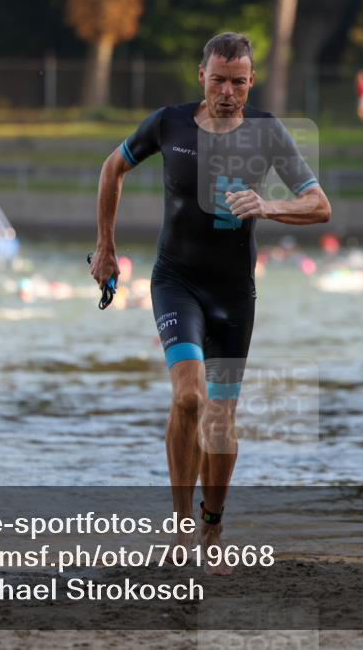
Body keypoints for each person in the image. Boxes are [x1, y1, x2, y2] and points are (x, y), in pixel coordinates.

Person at [89, 32, 331, 574]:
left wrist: (266, 205)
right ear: (202, 75)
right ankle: (178, 527)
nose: (227, 91)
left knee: (221, 419)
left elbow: (320, 206)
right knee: (190, 397)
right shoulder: (168, 124)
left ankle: (212, 527)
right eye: (219, 79)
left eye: (238, 82)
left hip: (233, 294)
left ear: (250, 83)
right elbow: (112, 169)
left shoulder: (267, 135)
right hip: (175, 281)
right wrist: (106, 248)